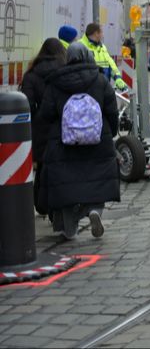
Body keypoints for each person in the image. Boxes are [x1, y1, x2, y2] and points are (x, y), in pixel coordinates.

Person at [36, 43, 119, 240]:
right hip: (97, 141)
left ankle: (69, 229)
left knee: (66, 187)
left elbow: (46, 114)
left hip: (64, 143)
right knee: (98, 183)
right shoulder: (99, 80)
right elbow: (112, 110)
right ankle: (94, 211)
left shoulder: (56, 82)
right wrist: (111, 132)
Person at [22, 38, 67, 214]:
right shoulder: (64, 71)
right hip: (61, 127)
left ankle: (41, 204)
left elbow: (27, 103)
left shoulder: (31, 75)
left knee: (41, 167)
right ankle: (59, 206)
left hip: (40, 130)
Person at [78, 22, 127, 91]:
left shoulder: (102, 47)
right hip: (88, 89)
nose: (102, 35)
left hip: (103, 87)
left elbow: (110, 63)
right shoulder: (80, 46)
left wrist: (117, 77)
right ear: (96, 34)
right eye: (101, 32)